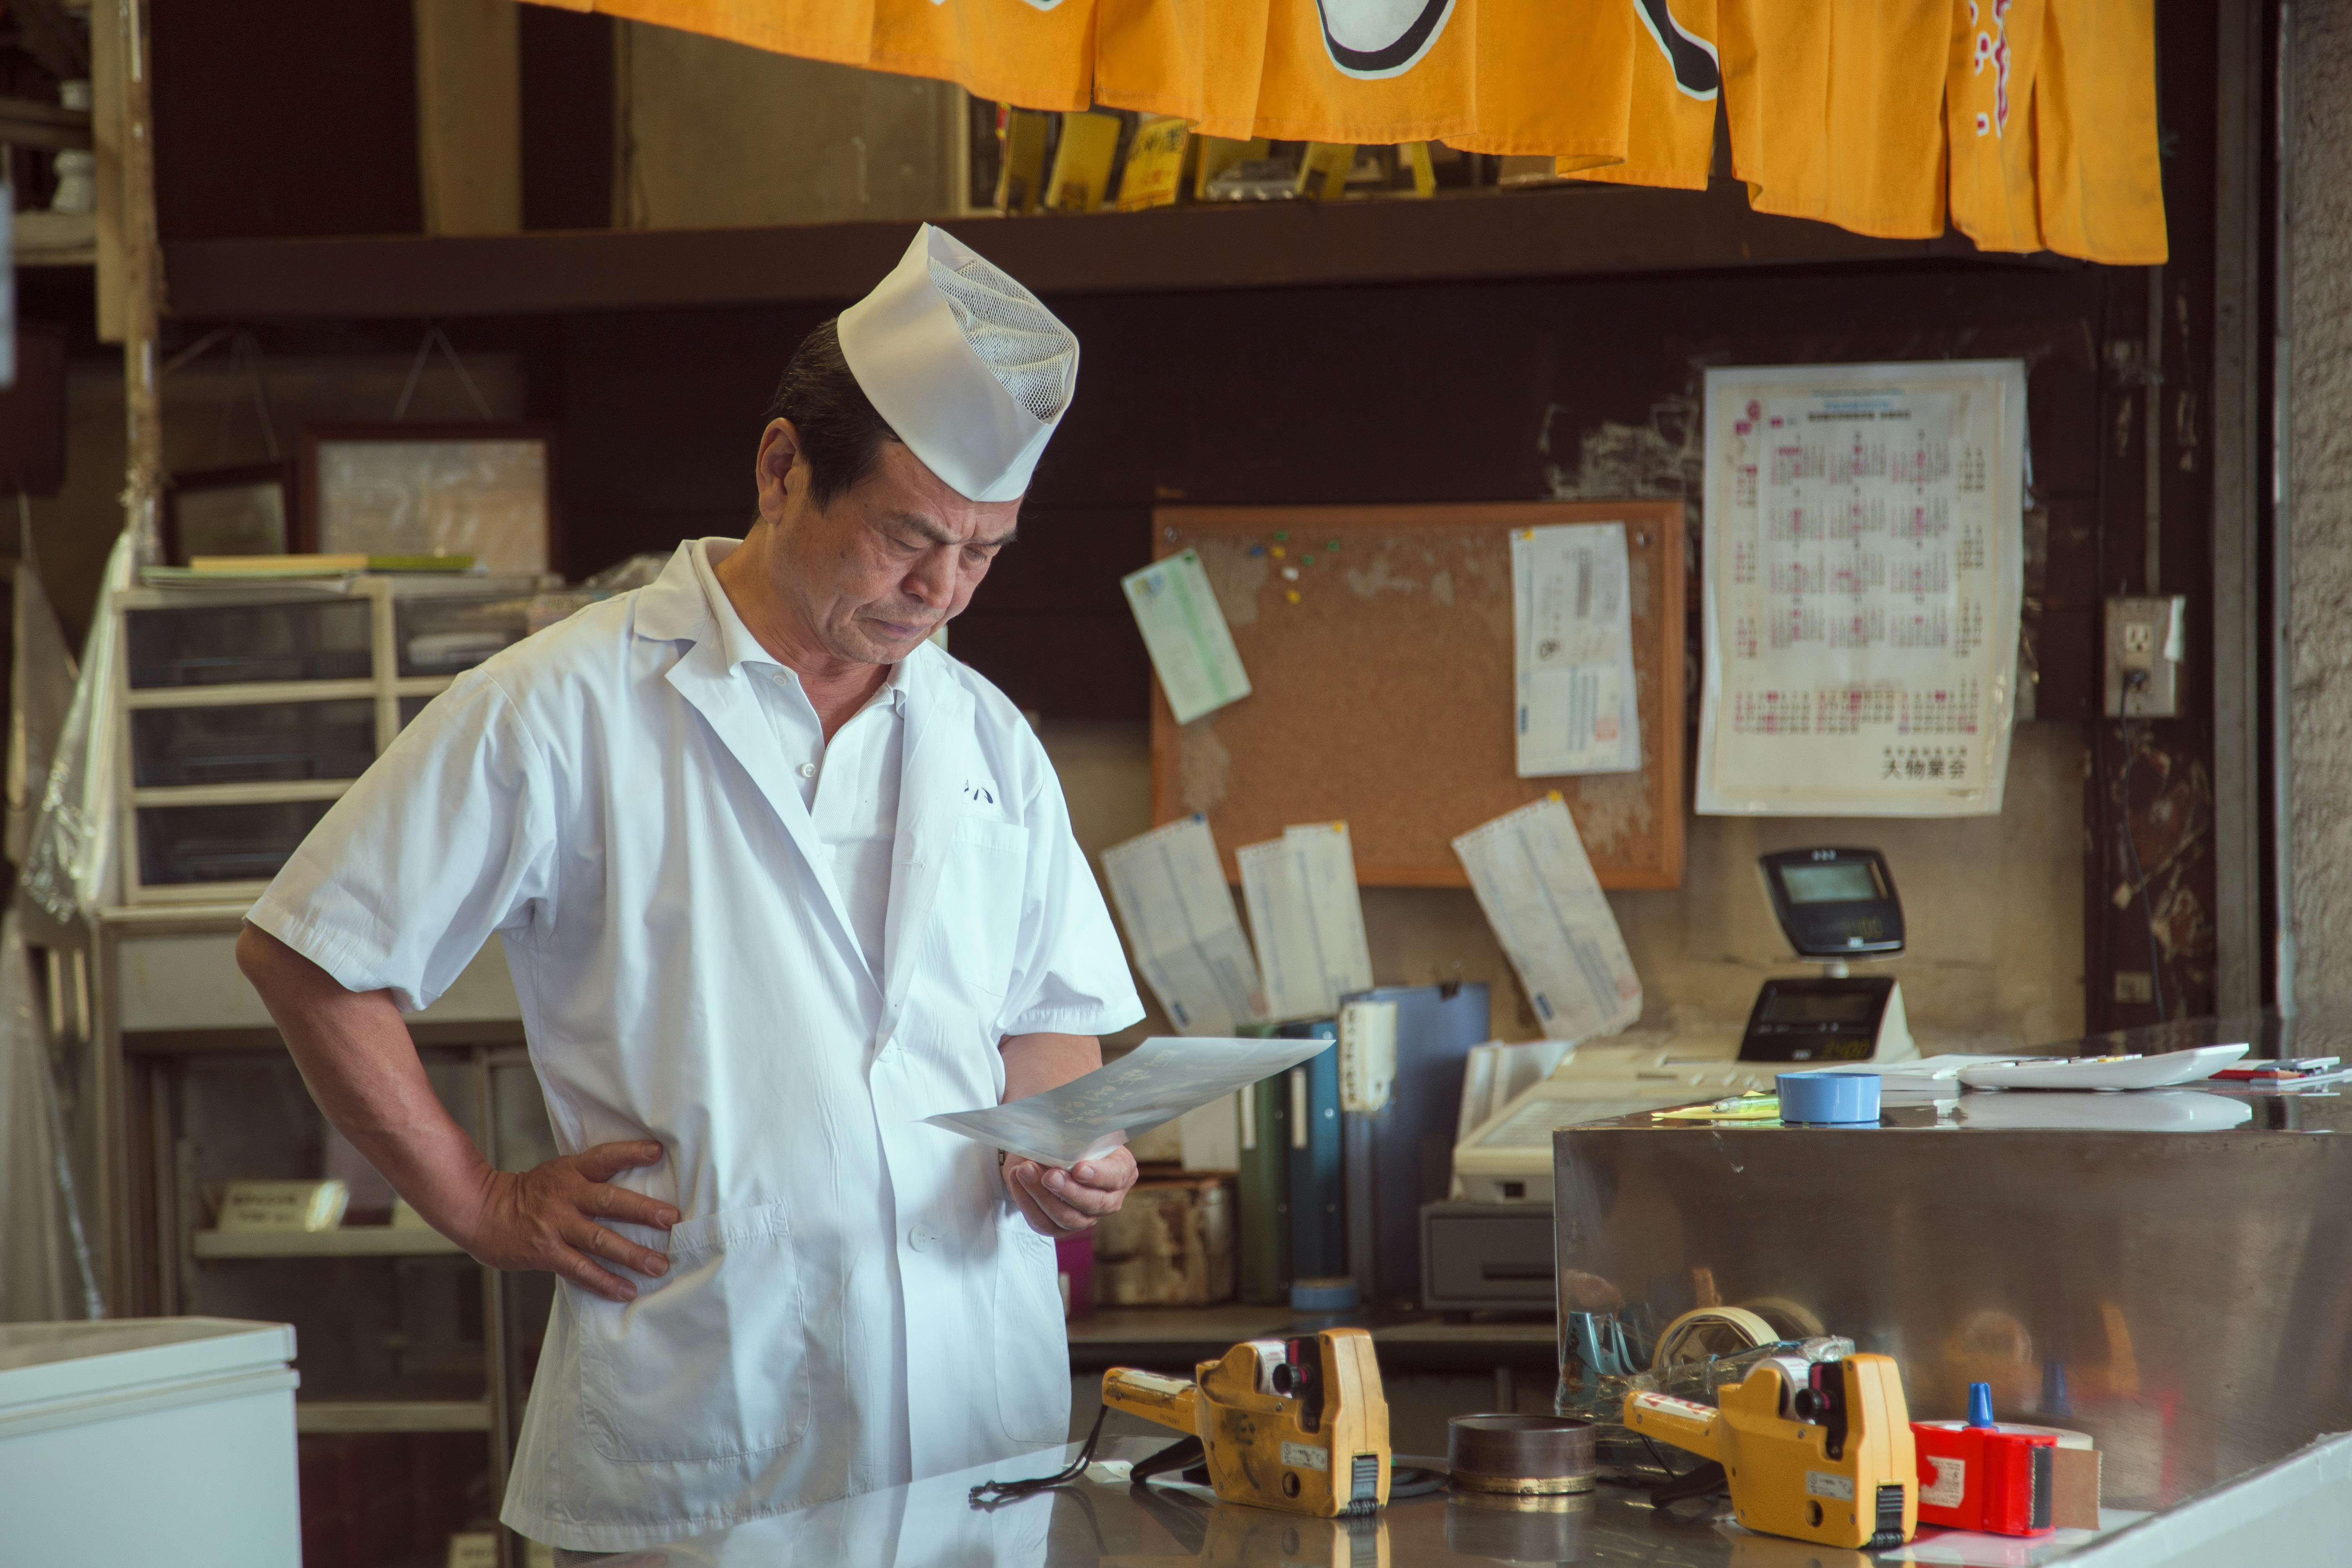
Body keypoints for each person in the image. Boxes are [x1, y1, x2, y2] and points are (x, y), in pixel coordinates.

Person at [236, 225, 1145, 1557]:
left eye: (984, 554)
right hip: (711, 1436)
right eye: (908, 538)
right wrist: (484, 1202)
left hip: (973, 1435)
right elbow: (310, 952)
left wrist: (1067, 1148)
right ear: (783, 469)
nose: (940, 592)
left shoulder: (988, 736)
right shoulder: (562, 704)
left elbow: (1049, 1012)